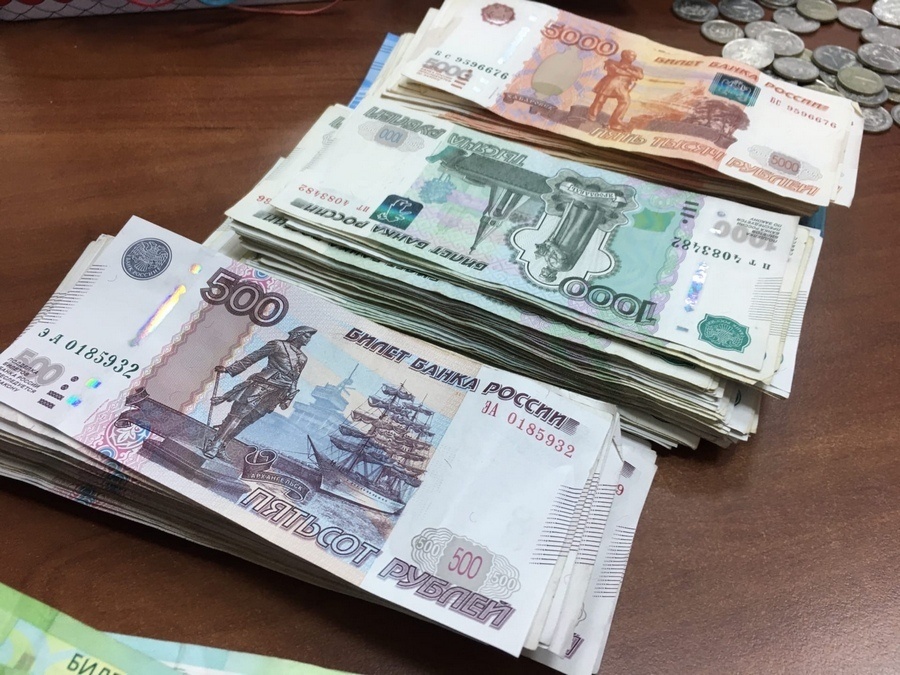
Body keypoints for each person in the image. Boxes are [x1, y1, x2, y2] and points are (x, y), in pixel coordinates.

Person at [203, 325, 317, 459]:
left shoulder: (303, 358)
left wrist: (289, 397)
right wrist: (230, 369)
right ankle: (215, 444)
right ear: (297, 334)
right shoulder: (278, 345)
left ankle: (223, 445)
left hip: (278, 393)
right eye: (306, 336)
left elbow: (295, 378)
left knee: (248, 420)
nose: (308, 339)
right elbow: (254, 357)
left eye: (310, 337)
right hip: (262, 384)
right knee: (238, 415)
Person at [588, 50, 643, 130]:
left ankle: (615, 122)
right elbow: (616, 70)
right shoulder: (611, 62)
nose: (634, 58)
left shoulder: (636, 68)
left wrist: (628, 70)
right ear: (625, 56)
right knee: (600, 100)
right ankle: (592, 116)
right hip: (610, 83)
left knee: (625, 101)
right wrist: (631, 73)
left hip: (623, 86)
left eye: (634, 56)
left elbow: (640, 76)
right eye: (632, 56)